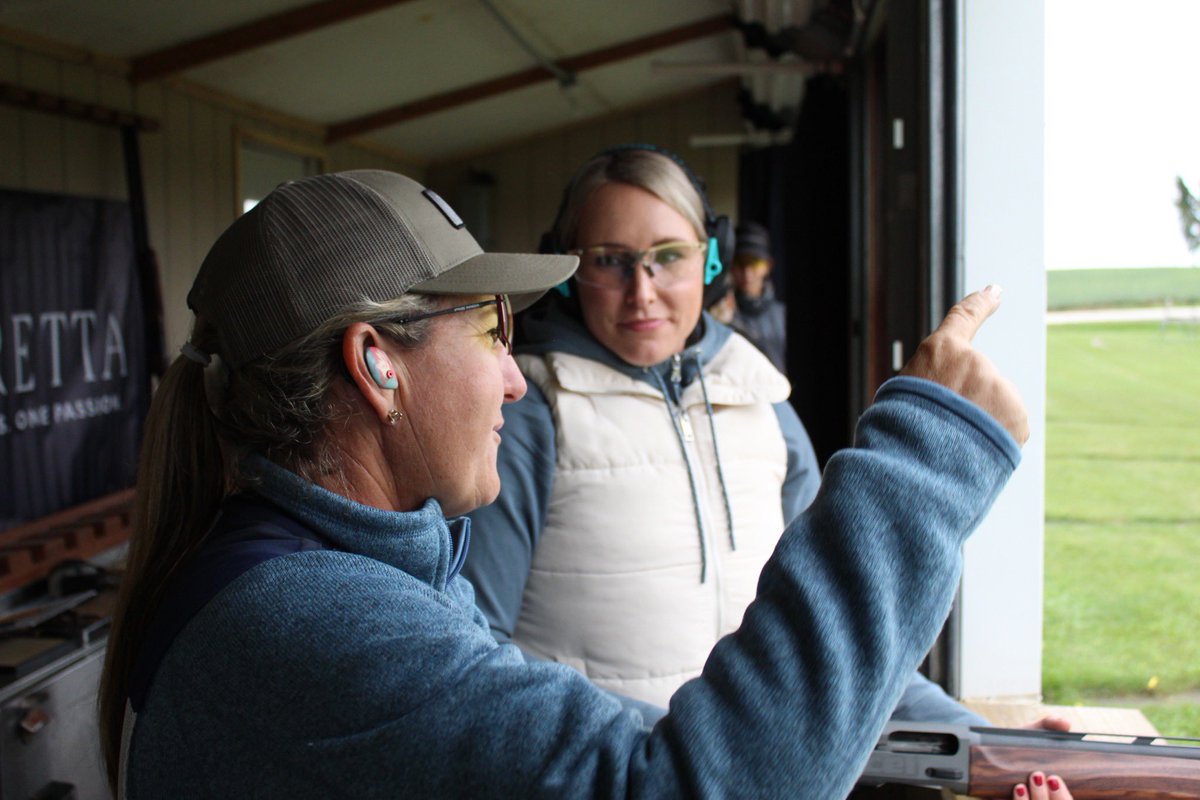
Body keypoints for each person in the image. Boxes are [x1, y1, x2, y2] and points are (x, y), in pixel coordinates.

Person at [97, 167, 1047, 799]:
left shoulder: (349, 575)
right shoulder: (312, 617)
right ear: (378, 365)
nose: (515, 373)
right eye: (490, 330)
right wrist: (929, 450)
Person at [463, 145, 983, 726]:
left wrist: (984, 740)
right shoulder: (527, 415)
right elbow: (477, 654)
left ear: (713, 260)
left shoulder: (761, 401)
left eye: (670, 256)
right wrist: (669, 753)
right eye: (610, 260)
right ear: (567, 270)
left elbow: (832, 627)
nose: (643, 291)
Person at [730, 219, 788, 370]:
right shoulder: (722, 313)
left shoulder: (782, 315)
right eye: (740, 263)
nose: (747, 273)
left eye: (754, 263)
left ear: (768, 266)